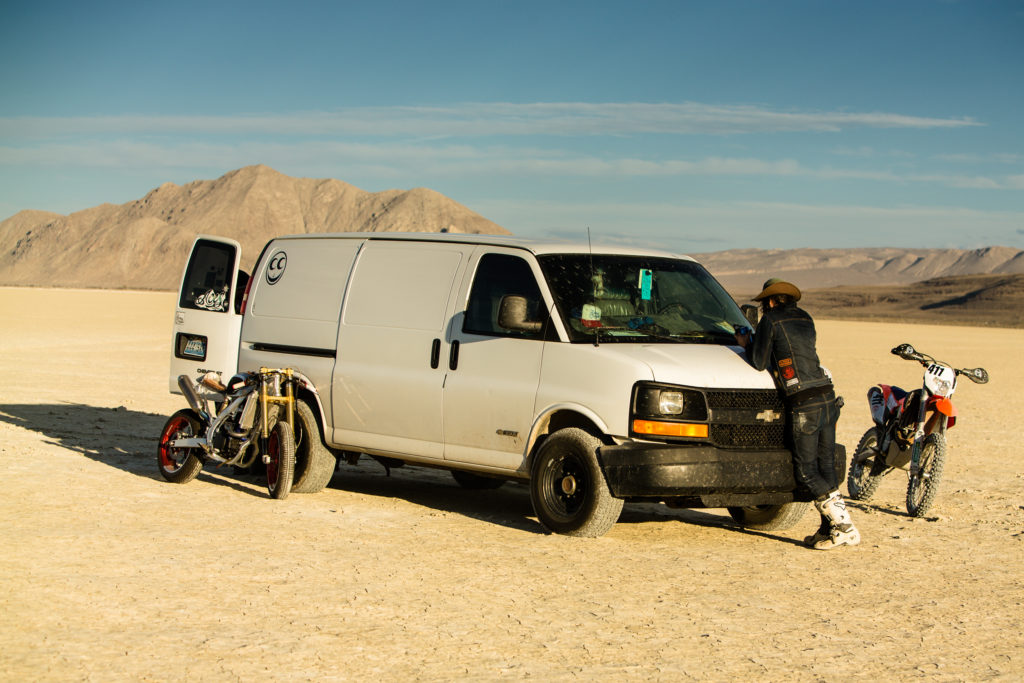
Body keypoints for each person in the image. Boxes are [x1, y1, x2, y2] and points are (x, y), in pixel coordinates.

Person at [734, 278, 860, 550]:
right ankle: (829, 530)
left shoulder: (771, 320)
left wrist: (746, 342)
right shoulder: (806, 317)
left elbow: (758, 361)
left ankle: (844, 526)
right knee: (825, 467)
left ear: (769, 301)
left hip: (804, 402)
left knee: (805, 472)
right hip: (826, 395)